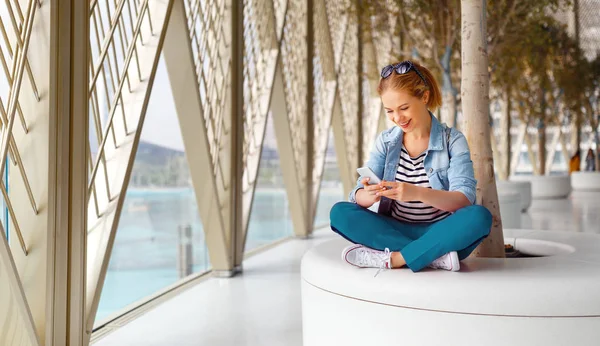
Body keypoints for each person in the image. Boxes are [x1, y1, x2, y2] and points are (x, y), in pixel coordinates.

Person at [329, 60, 492, 273]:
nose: (397, 118)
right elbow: (357, 195)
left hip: (440, 231)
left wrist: (416, 193)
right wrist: (368, 194)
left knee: (478, 217)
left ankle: (397, 258)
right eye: (390, 111)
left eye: (404, 108)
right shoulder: (386, 142)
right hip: (396, 229)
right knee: (340, 212)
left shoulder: (453, 140)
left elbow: (463, 200)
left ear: (424, 97)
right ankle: (432, 257)